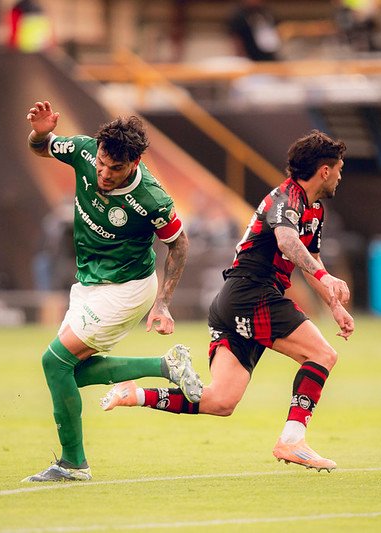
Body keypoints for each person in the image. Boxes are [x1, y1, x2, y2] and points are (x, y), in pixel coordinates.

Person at [101, 130, 354, 472]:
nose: (340, 175)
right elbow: (287, 242)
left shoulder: (314, 210)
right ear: (324, 170)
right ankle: (292, 440)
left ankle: (135, 394)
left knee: (221, 401)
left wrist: (334, 305)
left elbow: (310, 260)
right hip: (252, 294)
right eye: (339, 168)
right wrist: (326, 279)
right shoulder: (286, 200)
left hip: (234, 301)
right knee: (322, 354)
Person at [22, 101, 203, 482]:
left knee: (54, 363)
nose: (103, 173)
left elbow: (180, 244)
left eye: (115, 168)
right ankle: (166, 366)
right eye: (102, 164)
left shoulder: (151, 199)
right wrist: (40, 133)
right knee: (69, 371)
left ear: (134, 163)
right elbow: (41, 147)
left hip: (128, 288)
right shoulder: (86, 151)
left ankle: (73, 464)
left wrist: (163, 303)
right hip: (89, 283)